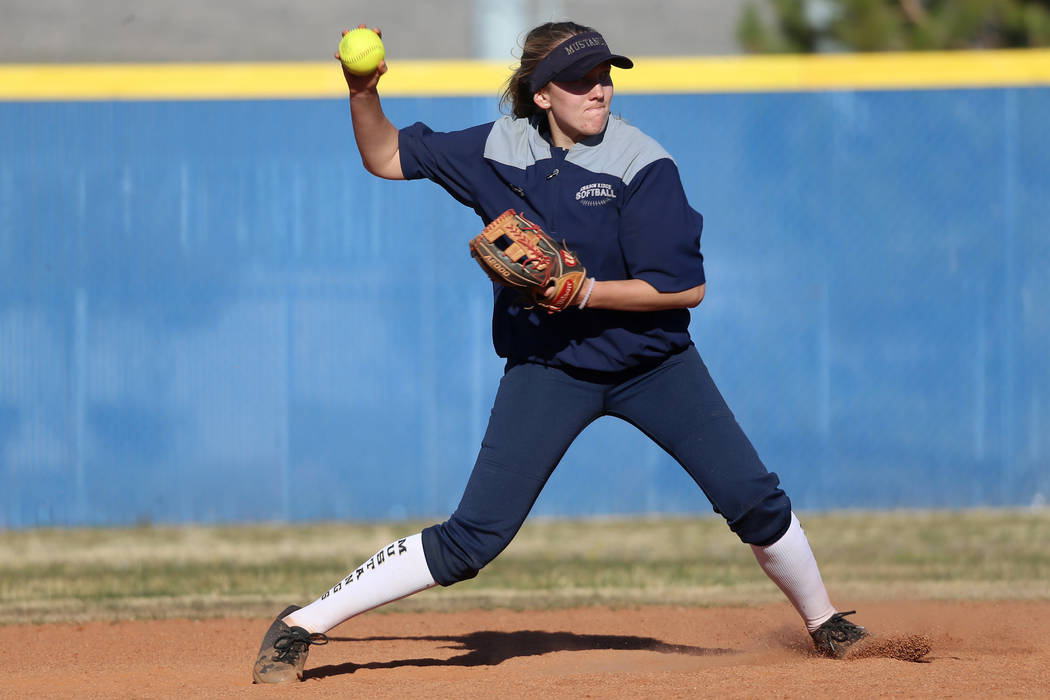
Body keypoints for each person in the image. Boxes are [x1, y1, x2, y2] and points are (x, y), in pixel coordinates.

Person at [251, 21, 869, 684]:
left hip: (651, 364)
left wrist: (586, 292)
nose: (598, 89)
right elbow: (386, 156)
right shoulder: (496, 148)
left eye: (604, 75)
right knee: (473, 539)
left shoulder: (641, 164)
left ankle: (825, 621)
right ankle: (301, 624)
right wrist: (362, 92)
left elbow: (684, 286)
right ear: (541, 95)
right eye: (579, 80)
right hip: (549, 367)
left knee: (751, 496)